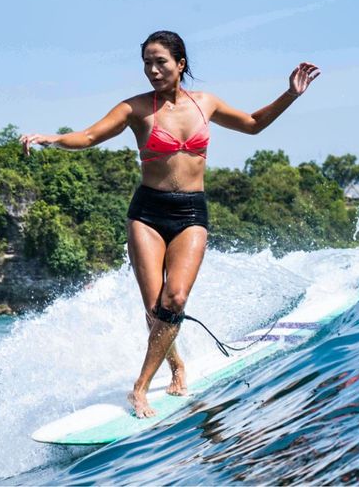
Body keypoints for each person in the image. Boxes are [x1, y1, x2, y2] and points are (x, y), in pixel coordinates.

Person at [20, 30, 319, 419]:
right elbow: (90, 136)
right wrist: (52, 139)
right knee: (154, 308)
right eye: (146, 62)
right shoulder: (135, 108)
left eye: (160, 61)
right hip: (147, 213)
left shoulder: (205, 103)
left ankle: (140, 387)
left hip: (191, 212)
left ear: (180, 64)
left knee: (174, 298)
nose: (152, 69)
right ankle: (175, 364)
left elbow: (252, 124)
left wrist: (291, 94)